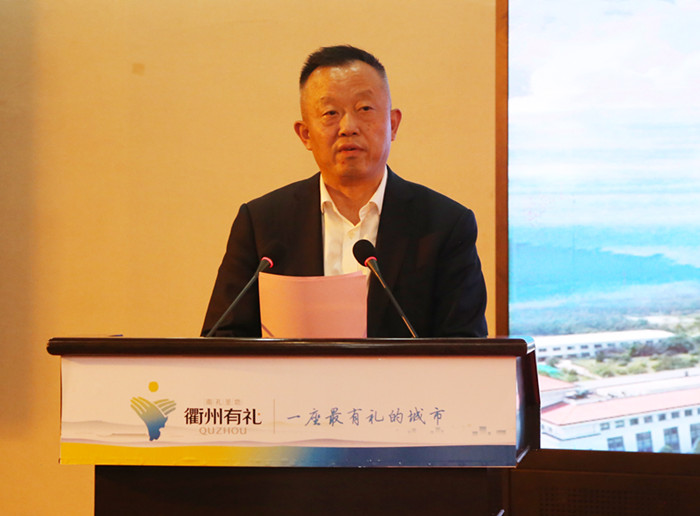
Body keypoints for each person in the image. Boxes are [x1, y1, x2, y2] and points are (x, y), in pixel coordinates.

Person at [202, 45, 487, 338]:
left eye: (365, 109)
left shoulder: (445, 225)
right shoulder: (263, 223)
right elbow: (222, 340)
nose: (348, 127)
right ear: (305, 134)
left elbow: (464, 345)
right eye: (330, 113)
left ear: (393, 124)